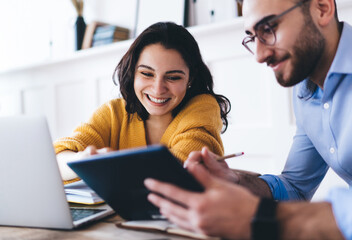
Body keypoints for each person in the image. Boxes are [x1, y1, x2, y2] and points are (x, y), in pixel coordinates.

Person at [145, 0, 352, 239]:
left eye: (269, 28)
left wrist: (261, 217)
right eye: (252, 37)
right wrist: (236, 181)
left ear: (322, 8)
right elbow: (296, 187)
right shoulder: (306, 92)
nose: (259, 55)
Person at [54, 22, 231, 183]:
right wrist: (83, 160)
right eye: (147, 74)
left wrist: (105, 168)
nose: (158, 89)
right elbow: (56, 160)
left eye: (173, 77)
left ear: (190, 78)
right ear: (133, 72)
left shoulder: (203, 107)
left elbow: (179, 169)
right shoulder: (114, 113)